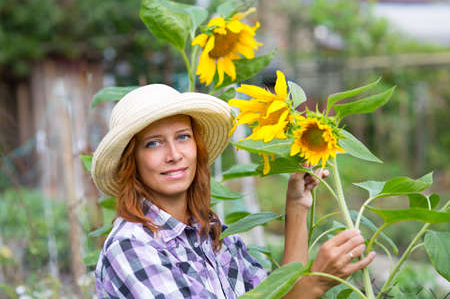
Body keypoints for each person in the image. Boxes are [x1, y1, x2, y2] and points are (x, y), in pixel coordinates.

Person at [91, 84, 376, 299]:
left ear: (197, 147)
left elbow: (277, 295)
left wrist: (297, 206)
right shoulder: (132, 247)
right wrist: (317, 281)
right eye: (153, 143)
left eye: (183, 137)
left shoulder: (213, 234)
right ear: (132, 162)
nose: (174, 154)